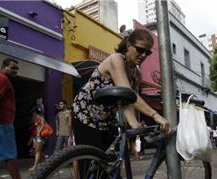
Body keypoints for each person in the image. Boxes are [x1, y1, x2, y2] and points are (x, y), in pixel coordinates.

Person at [72, 29, 170, 174]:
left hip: (106, 120)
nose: (143, 55)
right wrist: (156, 116)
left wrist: (134, 124)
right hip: (85, 116)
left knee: (111, 167)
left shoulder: (136, 73)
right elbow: (127, 92)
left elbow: (127, 101)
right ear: (129, 44)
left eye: (147, 52)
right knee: (90, 166)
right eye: (140, 50)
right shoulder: (116, 59)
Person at [0, 58, 22, 179]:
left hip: (3, 124)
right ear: (4, 66)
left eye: (17, 69)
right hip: (3, 124)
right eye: (13, 67)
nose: (15, 70)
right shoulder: (2, 78)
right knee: (10, 157)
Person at [27, 106, 47, 172]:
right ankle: (46, 162)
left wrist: (38, 132)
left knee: (37, 151)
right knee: (39, 151)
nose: (33, 114)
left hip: (41, 136)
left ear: (35, 112)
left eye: (33, 112)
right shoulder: (35, 118)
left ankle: (35, 166)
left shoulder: (40, 117)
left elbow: (42, 126)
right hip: (37, 136)